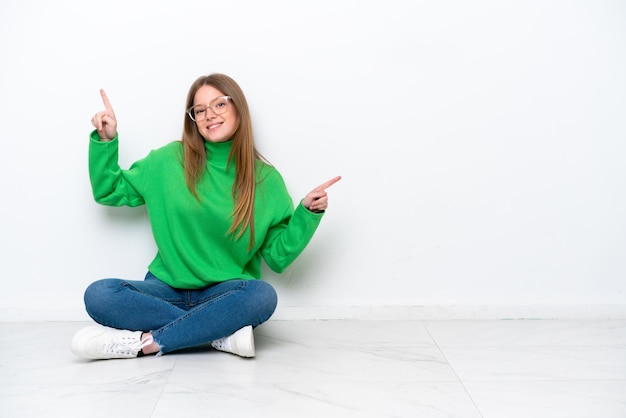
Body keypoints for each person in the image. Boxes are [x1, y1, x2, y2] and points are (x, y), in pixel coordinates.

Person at [71, 73, 341, 360]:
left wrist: (307, 214)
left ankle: (147, 343)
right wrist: (106, 140)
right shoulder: (166, 161)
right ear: (193, 119)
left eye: (219, 105)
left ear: (238, 107)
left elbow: (277, 257)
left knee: (262, 296)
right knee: (99, 294)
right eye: (200, 110)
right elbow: (109, 190)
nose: (209, 115)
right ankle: (217, 334)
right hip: (165, 289)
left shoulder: (266, 181)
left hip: (225, 293)